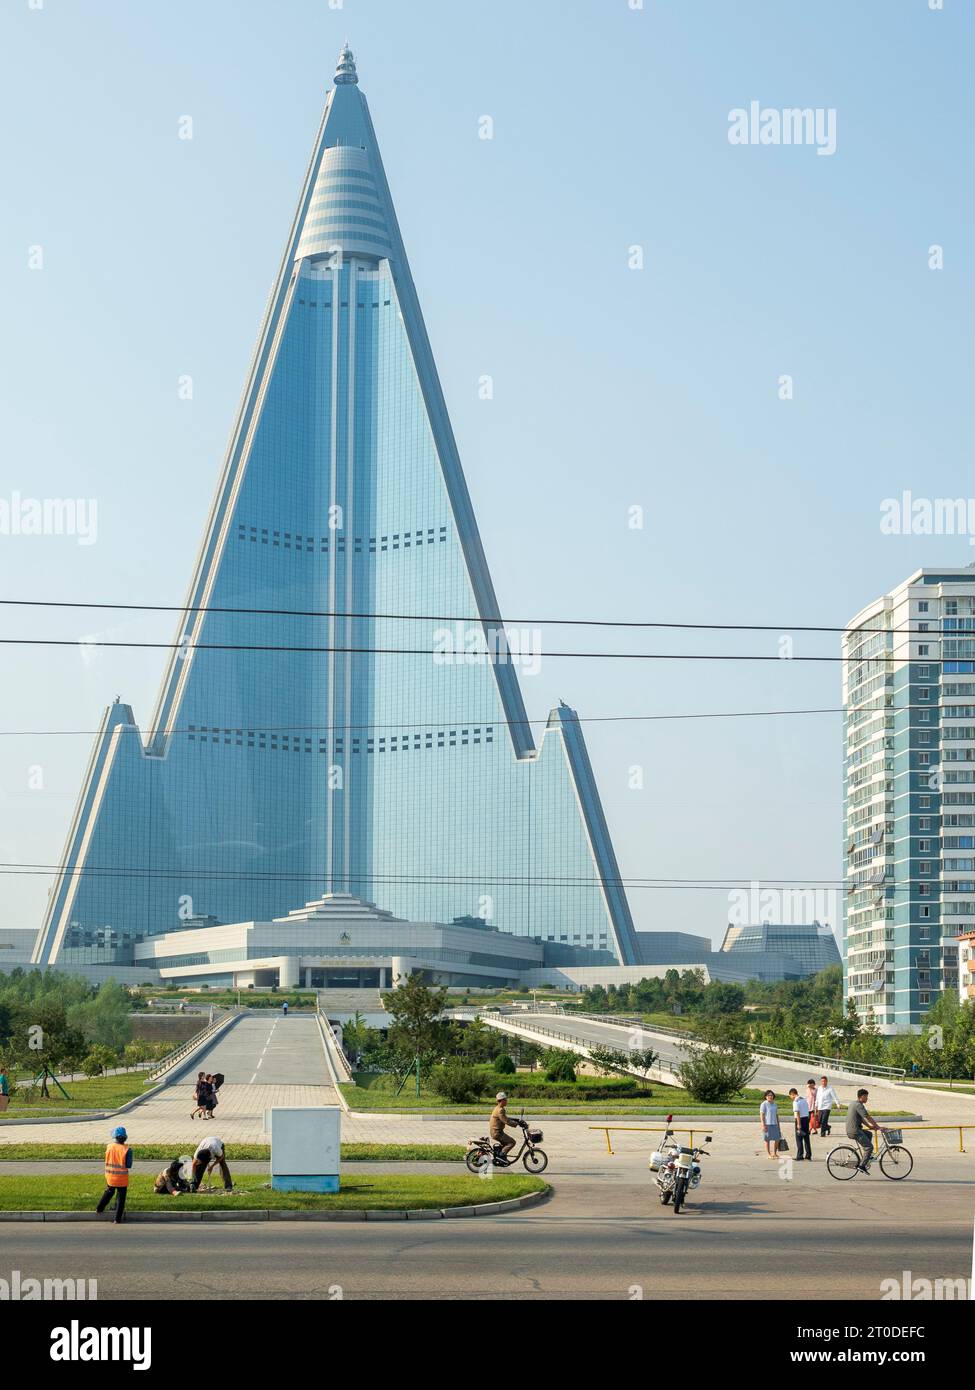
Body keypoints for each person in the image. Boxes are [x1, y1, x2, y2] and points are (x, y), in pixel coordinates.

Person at [96, 1126, 132, 1224]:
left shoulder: (109, 1147)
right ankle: (117, 1219)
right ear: (125, 1137)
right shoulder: (127, 1149)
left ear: (115, 1137)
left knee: (109, 1191)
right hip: (122, 1178)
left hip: (110, 1176)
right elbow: (129, 1165)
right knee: (121, 1198)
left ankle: (99, 1208)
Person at [846, 1087, 882, 1171]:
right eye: (866, 1096)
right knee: (869, 1147)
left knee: (869, 1134)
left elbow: (861, 1119)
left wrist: (870, 1127)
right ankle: (862, 1166)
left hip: (853, 1129)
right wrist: (877, 1127)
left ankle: (866, 1155)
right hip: (855, 1131)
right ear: (861, 1097)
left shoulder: (854, 1103)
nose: (867, 1098)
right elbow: (867, 1117)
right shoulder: (859, 1105)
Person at [489, 1091, 521, 1164]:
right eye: (505, 1099)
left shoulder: (497, 1108)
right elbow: (506, 1121)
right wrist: (517, 1124)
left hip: (496, 1132)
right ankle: (501, 1156)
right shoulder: (500, 1110)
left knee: (506, 1143)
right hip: (497, 1133)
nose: (507, 1101)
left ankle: (501, 1157)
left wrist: (517, 1120)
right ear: (502, 1100)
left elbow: (505, 1118)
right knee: (512, 1142)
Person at [789, 1087, 812, 1161]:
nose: (791, 1098)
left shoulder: (796, 1102)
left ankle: (800, 1155)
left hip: (799, 1120)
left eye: (790, 1096)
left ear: (792, 1094)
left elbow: (797, 1113)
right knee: (806, 1138)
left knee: (799, 1139)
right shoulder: (804, 1099)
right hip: (806, 1119)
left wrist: (798, 1124)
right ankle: (808, 1155)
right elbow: (807, 1111)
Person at [760, 1089, 781, 1160]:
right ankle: (769, 1154)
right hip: (767, 1124)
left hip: (774, 1123)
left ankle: (775, 1153)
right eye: (768, 1095)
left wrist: (778, 1124)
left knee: (777, 1138)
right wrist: (763, 1125)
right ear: (766, 1096)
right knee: (767, 1139)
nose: (770, 1097)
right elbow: (762, 1115)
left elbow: (776, 1115)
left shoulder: (775, 1104)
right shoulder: (764, 1104)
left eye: (771, 1095)